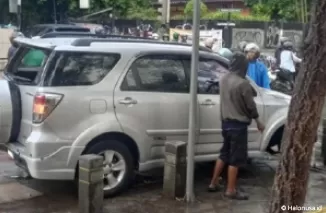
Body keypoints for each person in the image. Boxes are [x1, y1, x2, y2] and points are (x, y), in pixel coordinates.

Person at [208, 52, 265, 200]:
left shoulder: (223, 79)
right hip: (238, 126)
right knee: (236, 159)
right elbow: (250, 105)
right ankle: (231, 190)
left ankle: (213, 182)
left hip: (225, 124)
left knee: (224, 153)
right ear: (243, 66)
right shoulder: (243, 83)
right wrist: (258, 121)